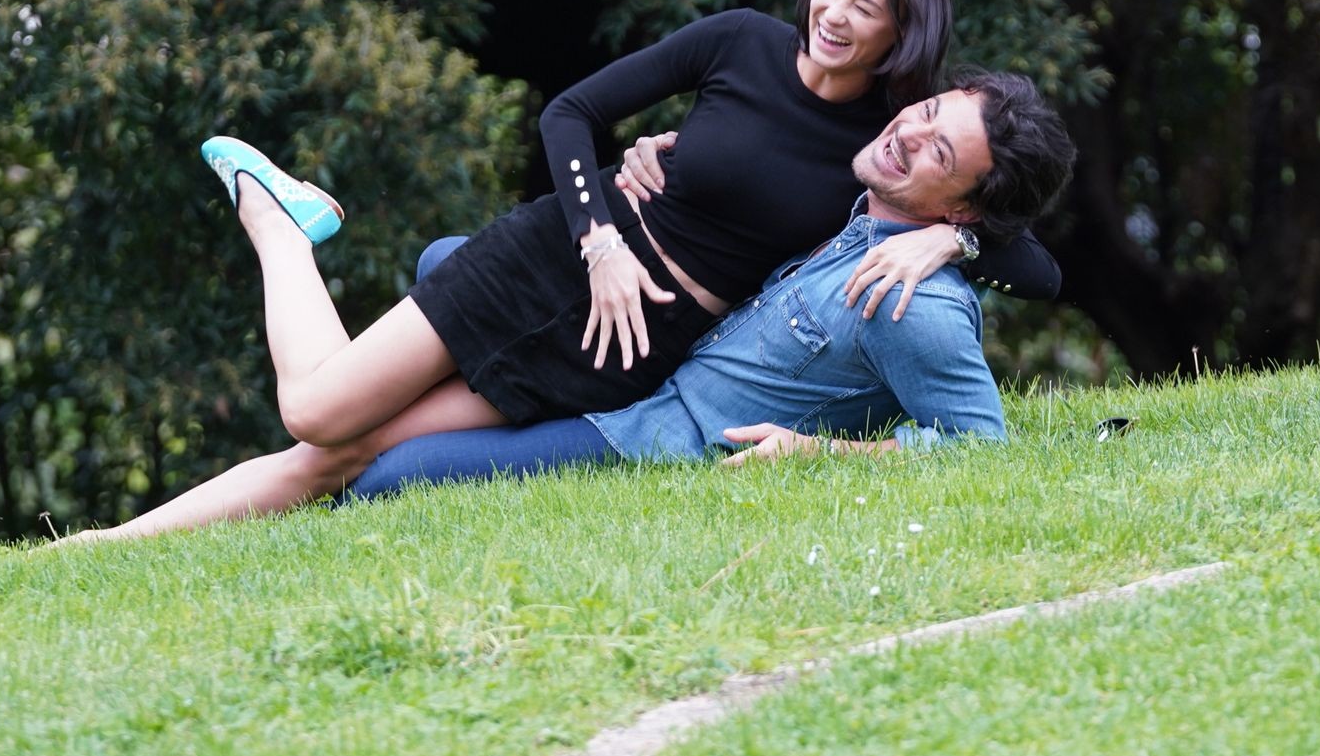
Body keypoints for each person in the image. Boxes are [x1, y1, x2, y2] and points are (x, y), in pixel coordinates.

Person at [61, 0, 1061, 543]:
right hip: (556, 259)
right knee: (319, 414)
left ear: (902, 32)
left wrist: (955, 242)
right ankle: (279, 225)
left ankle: (103, 550)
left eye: (864, 7)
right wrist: (601, 240)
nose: (833, 15)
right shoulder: (744, 44)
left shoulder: (894, 140)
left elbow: (1038, 262)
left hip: (626, 348)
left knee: (345, 450)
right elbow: (569, 114)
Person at [345, 69, 1073, 498]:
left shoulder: (913, 301)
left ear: (963, 206)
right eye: (927, 112)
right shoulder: (861, 207)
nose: (908, 134)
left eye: (938, 151)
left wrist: (820, 454)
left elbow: (979, 447)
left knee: (390, 477)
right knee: (447, 260)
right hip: (646, 358)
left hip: (657, 436)